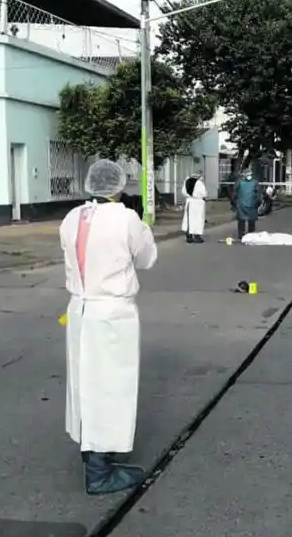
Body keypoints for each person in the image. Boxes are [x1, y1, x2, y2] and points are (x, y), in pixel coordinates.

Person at [58, 159, 158, 495]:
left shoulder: (72, 217)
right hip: (112, 312)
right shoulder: (126, 218)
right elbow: (147, 259)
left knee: (85, 384)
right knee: (112, 386)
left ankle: (94, 454)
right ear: (119, 184)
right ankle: (100, 471)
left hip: (80, 308)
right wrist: (139, 222)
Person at [231, 168, 261, 240]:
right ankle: (251, 235)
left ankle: (241, 235)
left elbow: (234, 193)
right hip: (252, 205)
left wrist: (234, 203)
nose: (249, 175)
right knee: (251, 221)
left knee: (241, 221)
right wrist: (257, 203)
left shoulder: (239, 182)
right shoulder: (255, 182)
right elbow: (259, 195)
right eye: (248, 174)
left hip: (241, 205)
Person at [181, 170, 207, 244]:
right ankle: (197, 236)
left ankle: (189, 236)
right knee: (198, 219)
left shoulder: (187, 181)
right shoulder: (200, 183)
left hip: (190, 202)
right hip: (198, 203)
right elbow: (204, 193)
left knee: (189, 219)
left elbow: (183, 192)